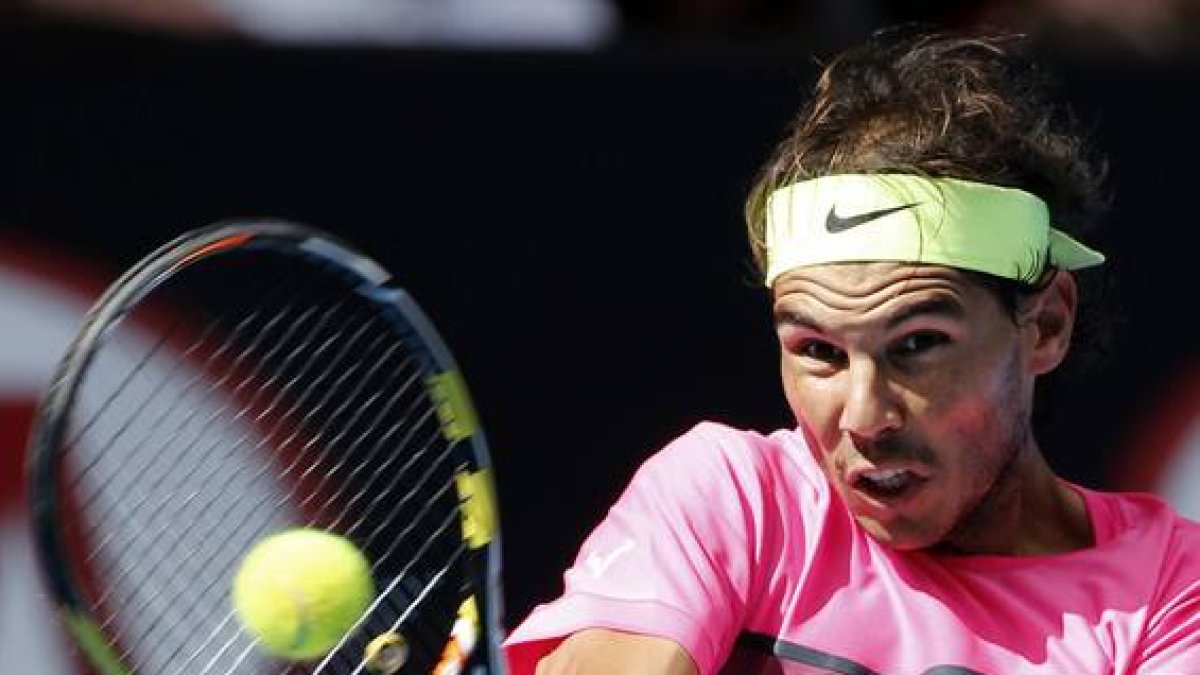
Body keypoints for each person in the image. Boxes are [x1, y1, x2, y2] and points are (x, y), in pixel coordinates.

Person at [502, 26, 1200, 674]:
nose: (864, 417)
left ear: (1045, 324)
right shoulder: (731, 496)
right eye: (818, 351)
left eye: (918, 344)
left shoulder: (1175, 586)